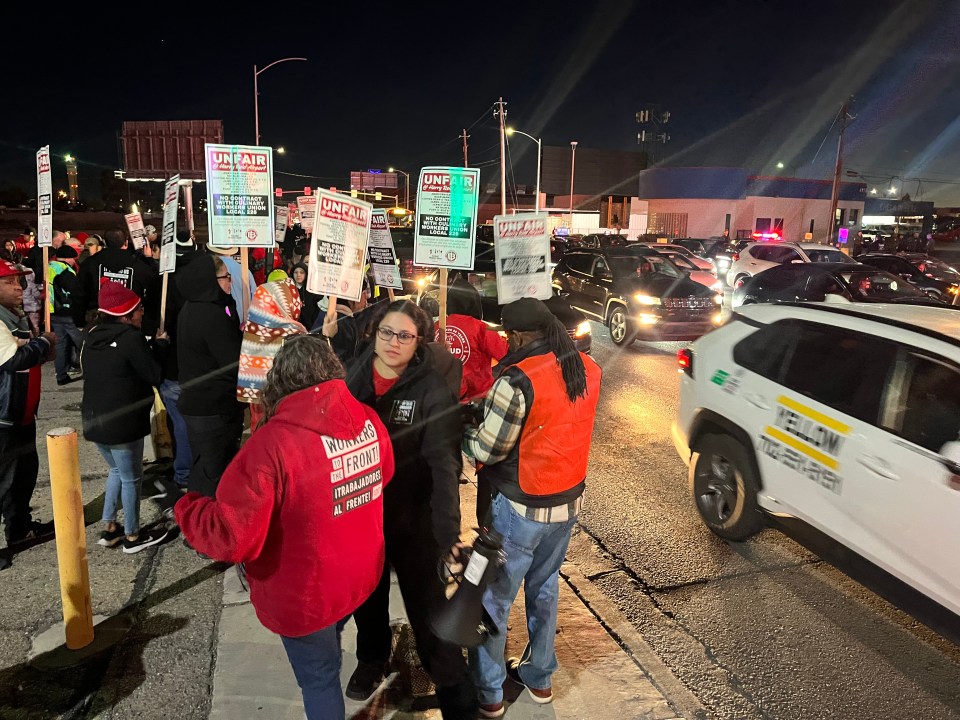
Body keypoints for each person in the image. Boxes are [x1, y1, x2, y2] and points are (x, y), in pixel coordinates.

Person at [176, 335, 394, 719]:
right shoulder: (368, 418)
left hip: (306, 594)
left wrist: (188, 508)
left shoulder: (270, 447)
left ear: (280, 381)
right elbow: (384, 473)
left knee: (319, 681)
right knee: (330, 639)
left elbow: (232, 536)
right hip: (358, 574)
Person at [464, 297, 602, 719]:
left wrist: (464, 434)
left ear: (520, 335)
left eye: (508, 335)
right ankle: (539, 677)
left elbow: (488, 449)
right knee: (544, 589)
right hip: (566, 503)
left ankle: (489, 691)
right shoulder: (587, 368)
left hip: (519, 509)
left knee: (493, 599)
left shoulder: (517, 379)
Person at [344, 300, 478, 719]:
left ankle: (457, 699)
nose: (393, 342)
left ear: (419, 340)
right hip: (364, 516)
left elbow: (444, 465)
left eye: (404, 335)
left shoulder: (431, 388)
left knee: (431, 617)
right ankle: (371, 659)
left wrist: (448, 535)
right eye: (387, 332)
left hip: (415, 522)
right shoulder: (354, 375)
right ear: (374, 332)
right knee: (367, 598)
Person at [81, 280, 170, 553]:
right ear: (126, 314)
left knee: (117, 471)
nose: (142, 313)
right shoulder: (130, 338)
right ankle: (132, 536)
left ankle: (110, 526)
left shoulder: (92, 334)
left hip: (94, 419)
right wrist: (161, 346)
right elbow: (154, 374)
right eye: (139, 309)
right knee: (132, 478)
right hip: (122, 423)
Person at [0, 259, 57, 555]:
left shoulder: (12, 316)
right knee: (6, 481)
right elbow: (13, 360)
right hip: (4, 417)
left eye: (19, 281)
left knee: (22, 477)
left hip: (20, 412)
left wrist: (39, 350)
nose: (18, 287)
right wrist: (43, 343)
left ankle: (20, 529)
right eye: (9, 282)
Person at [176, 254, 244, 498]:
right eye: (225, 277)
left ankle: (196, 519)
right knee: (214, 472)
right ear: (209, 280)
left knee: (204, 466)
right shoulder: (211, 316)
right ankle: (204, 526)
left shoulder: (194, 306)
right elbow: (232, 361)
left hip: (199, 404)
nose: (230, 282)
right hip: (213, 407)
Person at [237, 278, 306, 431]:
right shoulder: (295, 334)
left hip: (259, 410)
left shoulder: (254, 331)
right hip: (287, 416)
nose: (299, 304)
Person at [72, 229, 161, 335]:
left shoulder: (90, 263)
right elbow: (153, 291)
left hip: (98, 324)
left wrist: (79, 321)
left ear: (104, 242)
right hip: (129, 324)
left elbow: (79, 294)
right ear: (126, 242)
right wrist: (149, 259)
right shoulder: (139, 266)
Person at [442, 278, 507, 403]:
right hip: (477, 399)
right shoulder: (482, 328)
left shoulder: (438, 326)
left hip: (441, 398)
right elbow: (506, 355)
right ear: (475, 302)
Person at [47, 245, 84, 385]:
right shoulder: (64, 271)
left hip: (54, 312)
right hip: (68, 313)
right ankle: (89, 372)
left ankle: (61, 375)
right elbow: (76, 292)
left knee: (61, 345)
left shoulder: (50, 267)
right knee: (83, 343)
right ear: (69, 258)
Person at [313, 280, 371, 364]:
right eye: (364, 293)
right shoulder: (339, 322)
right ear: (352, 298)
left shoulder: (338, 316)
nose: (366, 297)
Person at [205, 244, 255, 325]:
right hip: (243, 323)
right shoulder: (245, 271)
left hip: (217, 322)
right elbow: (254, 299)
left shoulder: (210, 269)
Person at [290, 263, 322, 331]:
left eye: (302, 272)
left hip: (311, 326)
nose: (298, 275)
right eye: (296, 272)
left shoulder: (312, 290)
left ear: (306, 274)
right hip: (293, 327)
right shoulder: (289, 289)